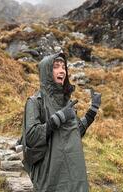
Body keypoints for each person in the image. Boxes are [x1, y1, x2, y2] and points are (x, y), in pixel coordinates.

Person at [21, 52, 101, 192]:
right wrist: (57, 119)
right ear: (47, 71)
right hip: (50, 176)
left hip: (74, 175)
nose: (62, 71)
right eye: (56, 67)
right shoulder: (34, 102)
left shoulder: (66, 101)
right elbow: (32, 137)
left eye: (63, 67)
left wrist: (92, 111)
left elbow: (75, 132)